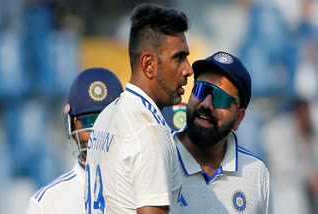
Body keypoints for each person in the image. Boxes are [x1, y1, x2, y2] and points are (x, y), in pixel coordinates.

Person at [84, 4, 193, 214]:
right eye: (178, 58)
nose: (188, 69)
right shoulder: (148, 130)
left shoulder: (107, 116)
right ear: (149, 64)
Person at [172, 51, 271, 213]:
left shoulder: (256, 174)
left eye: (220, 98)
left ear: (239, 118)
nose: (206, 104)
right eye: (201, 90)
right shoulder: (158, 155)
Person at [26, 68, 123, 214]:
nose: (98, 131)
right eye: (89, 121)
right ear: (71, 126)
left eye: (107, 119)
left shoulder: (148, 189)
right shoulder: (46, 204)